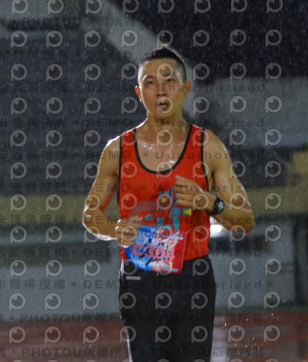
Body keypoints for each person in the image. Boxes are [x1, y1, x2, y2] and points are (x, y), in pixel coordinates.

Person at [81, 46, 255, 362]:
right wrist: (114, 229)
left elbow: (245, 219)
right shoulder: (117, 150)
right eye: (150, 83)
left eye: (169, 81)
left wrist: (209, 201)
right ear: (139, 93)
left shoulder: (208, 147)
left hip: (193, 277)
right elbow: (90, 214)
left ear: (186, 89)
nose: (160, 90)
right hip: (139, 277)